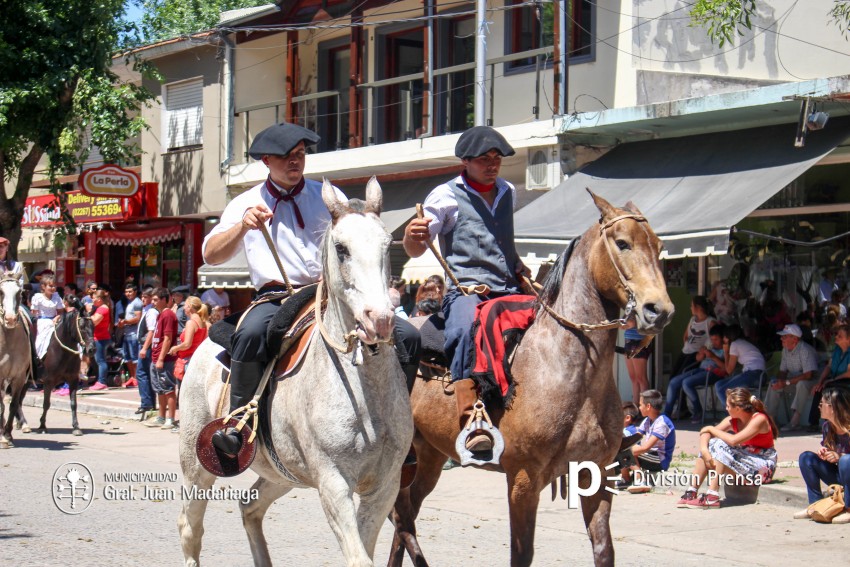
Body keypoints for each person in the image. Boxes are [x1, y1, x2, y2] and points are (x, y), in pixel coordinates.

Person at [201, 122, 350, 457]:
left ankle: (399, 426)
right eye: (286, 156)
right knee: (251, 334)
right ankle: (238, 426)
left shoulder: (329, 196)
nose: (295, 162)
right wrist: (242, 226)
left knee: (395, 334)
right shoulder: (246, 201)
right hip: (276, 297)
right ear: (267, 160)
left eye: (300, 154)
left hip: (328, 295)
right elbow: (211, 254)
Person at [402, 125, 529, 455]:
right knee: (460, 332)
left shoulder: (508, 191)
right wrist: (412, 236)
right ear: (466, 161)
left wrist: (517, 264)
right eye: (484, 159)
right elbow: (417, 246)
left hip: (508, 289)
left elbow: (501, 242)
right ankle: (473, 418)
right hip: (466, 291)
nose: (492, 164)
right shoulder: (444, 196)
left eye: (497, 158)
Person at [676, 388, 778, 509]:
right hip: (745, 461)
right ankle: (691, 491)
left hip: (762, 467)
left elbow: (734, 440)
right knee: (712, 443)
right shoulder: (732, 421)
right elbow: (705, 434)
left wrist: (711, 428)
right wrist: (704, 450)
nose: (726, 409)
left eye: (728, 406)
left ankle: (712, 496)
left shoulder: (759, 419)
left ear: (738, 409)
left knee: (720, 443)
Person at [795, 383, 850, 523]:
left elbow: (843, 458)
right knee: (806, 457)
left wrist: (840, 456)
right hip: (842, 476)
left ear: (833, 407)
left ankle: (849, 509)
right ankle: (816, 506)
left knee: (846, 461)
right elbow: (833, 453)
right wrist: (826, 453)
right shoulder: (827, 427)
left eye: (822, 404)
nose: (819, 407)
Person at [664, 324, 727, 422]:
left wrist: (713, 357)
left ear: (723, 338)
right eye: (712, 340)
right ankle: (666, 414)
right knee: (674, 381)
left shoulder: (726, 350)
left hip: (713, 373)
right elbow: (698, 359)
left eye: (716, 340)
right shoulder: (711, 347)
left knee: (687, 383)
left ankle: (698, 411)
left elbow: (726, 368)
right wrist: (701, 353)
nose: (714, 342)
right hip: (700, 370)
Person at [764, 324, 820, 431]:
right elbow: (782, 371)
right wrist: (779, 381)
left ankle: (795, 421)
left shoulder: (805, 350)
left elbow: (808, 375)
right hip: (794, 380)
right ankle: (769, 419)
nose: (781, 338)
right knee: (774, 384)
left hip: (812, 381)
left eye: (785, 336)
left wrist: (786, 382)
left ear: (794, 339)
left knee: (802, 384)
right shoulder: (785, 350)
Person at [624, 390, 676, 493]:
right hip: (650, 455)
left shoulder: (662, 423)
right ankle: (626, 479)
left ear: (648, 406)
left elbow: (646, 448)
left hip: (661, 460)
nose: (639, 408)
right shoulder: (647, 421)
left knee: (626, 452)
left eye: (640, 405)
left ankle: (640, 480)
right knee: (623, 450)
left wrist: (627, 449)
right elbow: (635, 438)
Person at [145, 287, 179, 430]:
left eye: (155, 299)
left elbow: (168, 338)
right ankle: (161, 416)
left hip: (165, 360)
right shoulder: (160, 315)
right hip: (156, 357)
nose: (152, 302)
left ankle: (170, 418)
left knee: (168, 389)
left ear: (164, 299)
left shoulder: (168, 315)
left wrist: (160, 358)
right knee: (159, 389)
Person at [714, 324, 766, 408]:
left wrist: (726, 352)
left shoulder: (735, 344)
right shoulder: (742, 342)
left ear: (729, 337)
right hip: (759, 375)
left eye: (725, 337)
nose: (723, 339)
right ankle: (736, 410)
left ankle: (734, 417)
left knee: (722, 390)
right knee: (719, 384)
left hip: (754, 375)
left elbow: (729, 370)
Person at [809, 324, 850, 425]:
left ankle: (832, 421)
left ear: (848, 339)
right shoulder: (837, 350)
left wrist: (833, 380)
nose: (836, 337)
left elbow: (849, 373)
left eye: (840, 336)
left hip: (846, 381)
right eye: (837, 335)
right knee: (819, 389)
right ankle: (813, 422)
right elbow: (828, 367)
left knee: (829, 387)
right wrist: (820, 382)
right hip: (836, 380)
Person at [670, 295, 716, 378]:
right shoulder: (692, 319)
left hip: (695, 354)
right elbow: (685, 336)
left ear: (698, 307)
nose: (690, 308)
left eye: (692, 305)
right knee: (673, 375)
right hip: (685, 351)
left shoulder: (710, 322)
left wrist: (703, 351)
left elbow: (713, 340)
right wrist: (688, 345)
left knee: (680, 376)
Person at [30, 274, 64, 362]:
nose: (53, 288)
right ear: (43, 286)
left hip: (54, 321)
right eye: (50, 286)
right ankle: (38, 356)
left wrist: (57, 318)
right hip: (42, 321)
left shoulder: (56, 297)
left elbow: (61, 312)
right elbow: (34, 313)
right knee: (41, 339)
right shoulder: (38, 297)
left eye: (54, 286)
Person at [136, 287, 158, 415]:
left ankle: (146, 403)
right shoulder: (147, 310)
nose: (142, 299)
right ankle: (148, 402)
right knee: (145, 374)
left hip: (147, 347)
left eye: (145, 297)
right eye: (142, 296)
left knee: (142, 373)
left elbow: (151, 331)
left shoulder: (151, 312)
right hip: (145, 346)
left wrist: (144, 348)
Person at [87, 289, 113, 391]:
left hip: (100, 338)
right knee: (98, 360)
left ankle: (102, 382)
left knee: (100, 360)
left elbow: (94, 321)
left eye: (93, 298)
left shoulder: (103, 309)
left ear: (99, 299)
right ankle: (99, 380)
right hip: (98, 337)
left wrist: (88, 312)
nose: (92, 300)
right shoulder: (100, 308)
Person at [118, 283, 142, 389]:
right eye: (126, 292)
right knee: (127, 358)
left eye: (130, 291)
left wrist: (126, 321)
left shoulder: (137, 302)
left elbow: (138, 318)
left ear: (135, 292)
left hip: (134, 334)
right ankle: (132, 377)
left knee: (134, 357)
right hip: (126, 333)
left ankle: (136, 378)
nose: (128, 294)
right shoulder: (129, 303)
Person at [623, 320, 650, 403]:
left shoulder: (641, 307)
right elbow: (623, 325)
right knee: (633, 378)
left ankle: (645, 408)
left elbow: (632, 323)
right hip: (628, 340)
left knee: (641, 378)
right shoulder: (629, 307)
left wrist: (625, 324)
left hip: (639, 341)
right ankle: (636, 409)